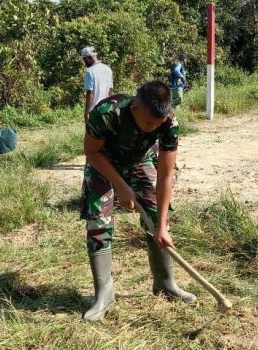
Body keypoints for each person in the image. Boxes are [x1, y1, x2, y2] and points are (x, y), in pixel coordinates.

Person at [79, 81, 195, 321]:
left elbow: (165, 175)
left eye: (157, 123)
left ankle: (165, 284)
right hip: (103, 162)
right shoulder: (108, 113)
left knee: (156, 215)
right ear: (134, 109)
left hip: (140, 161)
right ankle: (104, 294)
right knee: (98, 222)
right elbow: (91, 152)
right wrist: (121, 186)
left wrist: (161, 225)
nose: (152, 128)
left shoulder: (168, 122)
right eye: (148, 123)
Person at [81, 46, 113, 123]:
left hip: (94, 111)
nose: (84, 62)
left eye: (84, 60)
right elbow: (110, 91)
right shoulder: (107, 69)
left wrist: (86, 112)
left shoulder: (90, 71)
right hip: (106, 109)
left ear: (88, 58)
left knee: (91, 135)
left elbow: (90, 93)